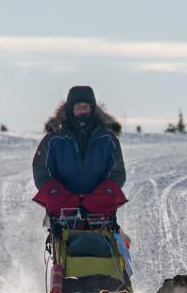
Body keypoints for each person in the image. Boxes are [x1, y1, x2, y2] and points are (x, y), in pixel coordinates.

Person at [32, 85, 126, 223]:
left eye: (85, 107)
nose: (82, 111)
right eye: (78, 108)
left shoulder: (108, 139)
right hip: (63, 208)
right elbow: (41, 171)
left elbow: (118, 173)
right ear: (70, 110)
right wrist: (57, 193)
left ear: (93, 109)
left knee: (109, 242)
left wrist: (102, 194)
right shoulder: (53, 140)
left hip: (99, 208)